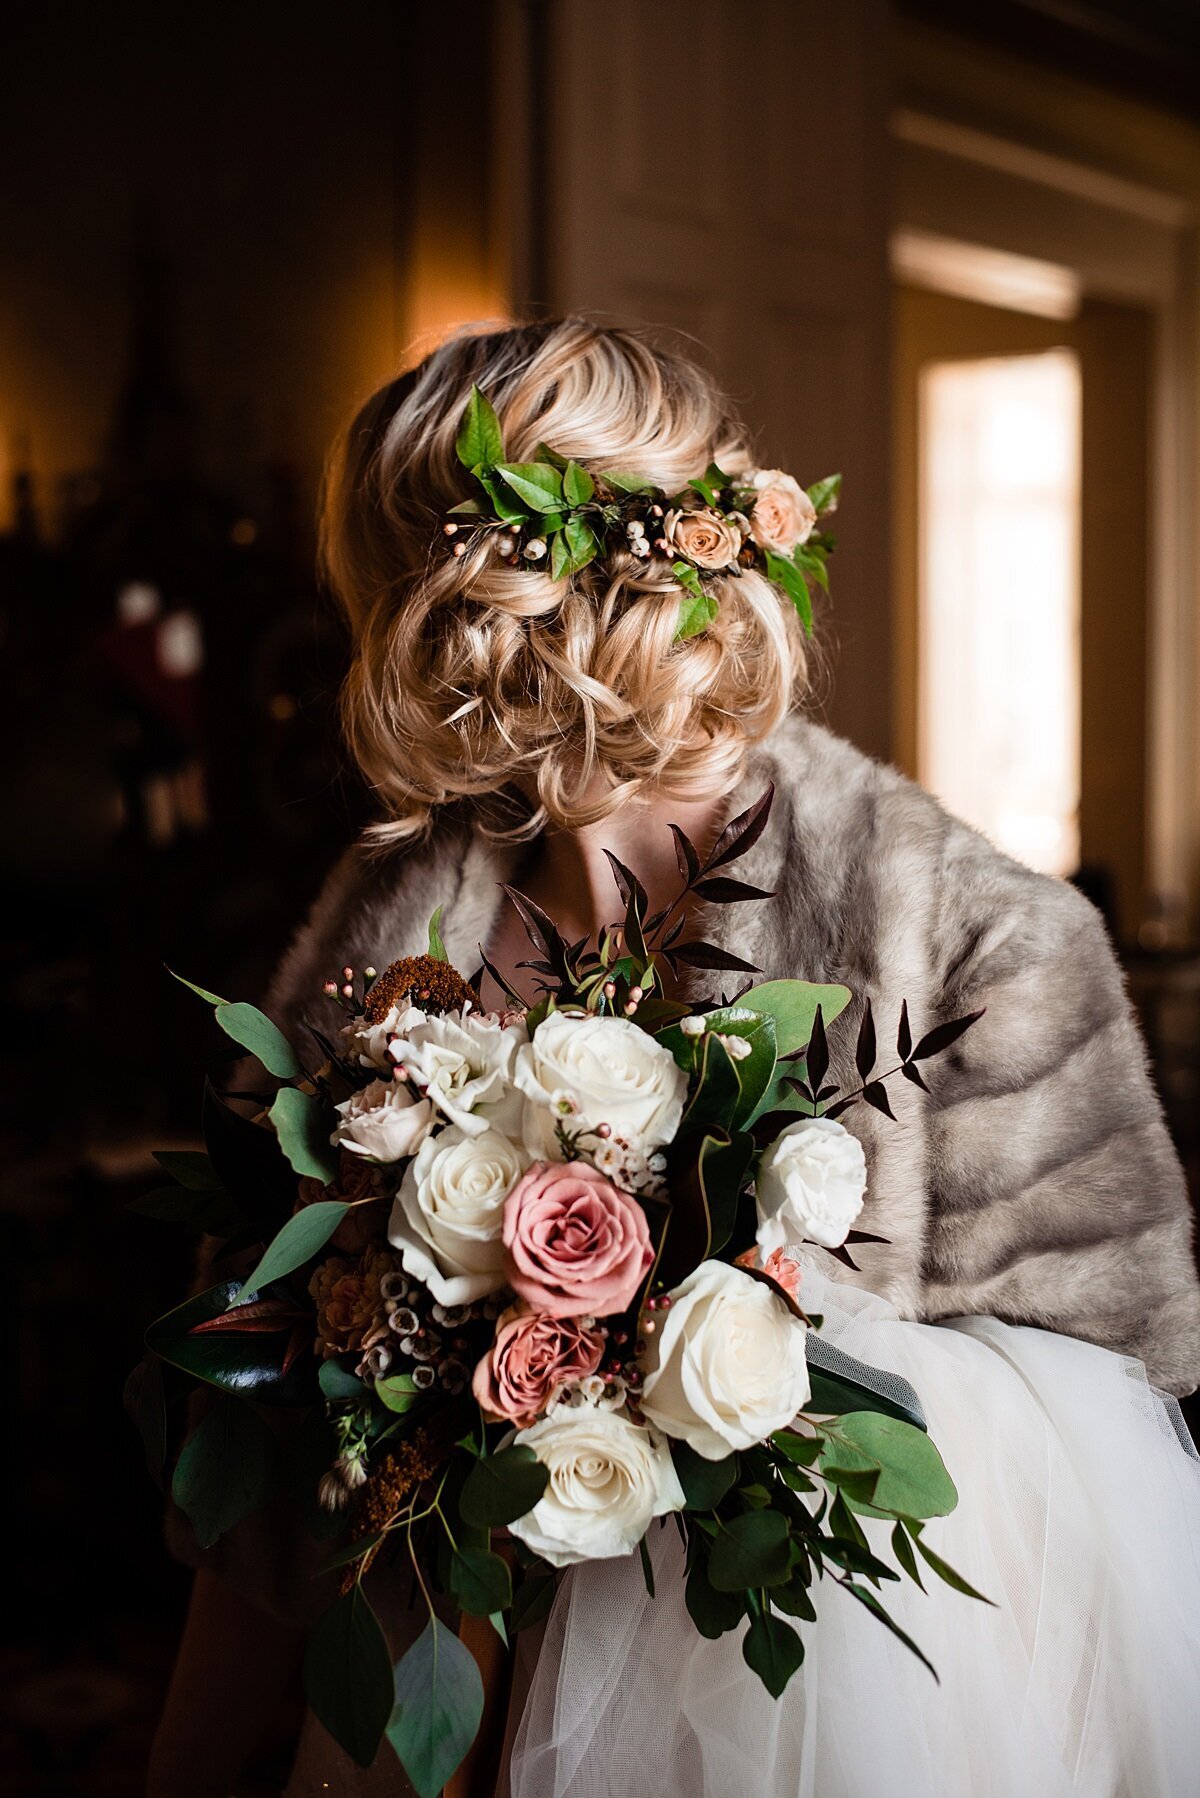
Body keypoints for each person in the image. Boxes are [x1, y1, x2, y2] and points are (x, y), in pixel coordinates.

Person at [149, 317, 1200, 1798]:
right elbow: (257, 1478)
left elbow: (1106, 1538)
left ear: (452, 601)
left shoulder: (978, 954)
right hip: (421, 1722)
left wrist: (713, 1363)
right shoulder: (368, 953)